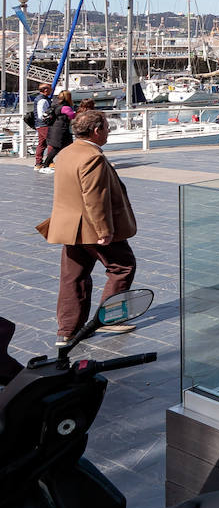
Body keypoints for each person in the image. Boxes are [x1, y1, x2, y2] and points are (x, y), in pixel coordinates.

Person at [37, 110, 138, 348]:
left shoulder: (66, 153)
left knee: (73, 276)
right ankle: (111, 317)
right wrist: (104, 230)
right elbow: (95, 197)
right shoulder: (93, 157)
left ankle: (68, 331)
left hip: (69, 226)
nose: (108, 131)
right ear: (96, 130)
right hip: (91, 227)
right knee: (122, 266)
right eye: (106, 127)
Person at [39, 91, 76, 171]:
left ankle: (48, 164)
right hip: (62, 131)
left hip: (54, 129)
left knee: (59, 148)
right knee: (59, 148)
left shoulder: (55, 105)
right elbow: (72, 116)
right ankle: (46, 165)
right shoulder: (65, 107)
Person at [32, 83, 53, 172]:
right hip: (44, 125)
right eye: (49, 89)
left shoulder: (40, 99)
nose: (51, 90)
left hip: (40, 125)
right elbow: (41, 114)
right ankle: (49, 162)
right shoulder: (42, 100)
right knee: (51, 143)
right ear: (45, 90)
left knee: (42, 144)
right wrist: (51, 117)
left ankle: (38, 163)